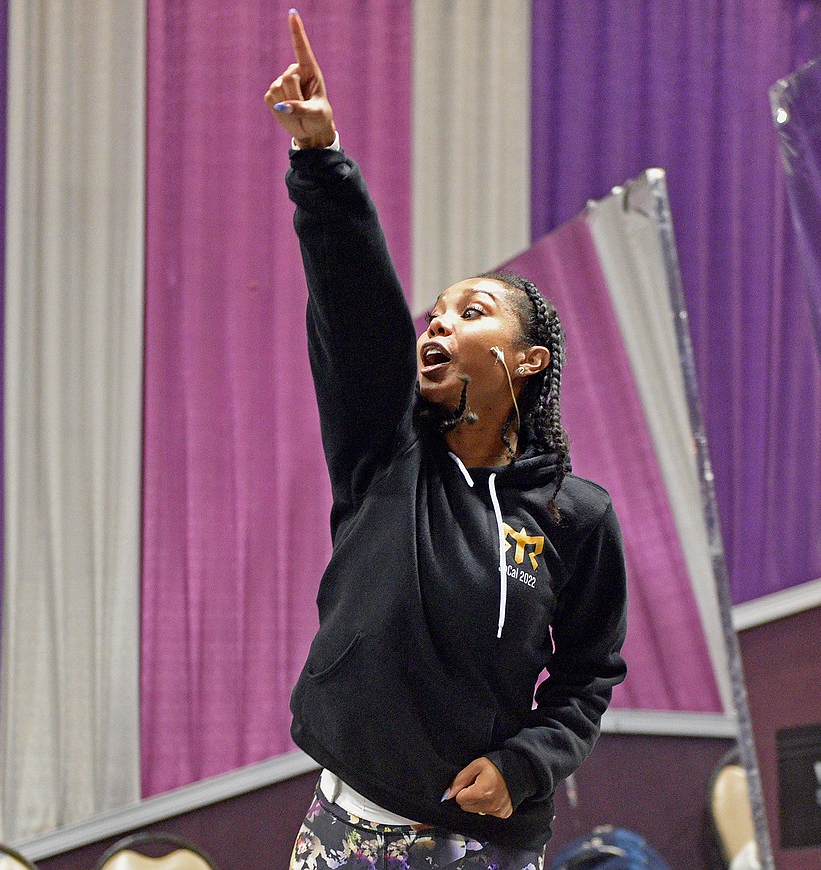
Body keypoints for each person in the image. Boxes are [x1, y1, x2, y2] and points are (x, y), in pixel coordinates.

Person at [265, 11, 628, 869]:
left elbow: (587, 681)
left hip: (476, 844)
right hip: (334, 827)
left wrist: (525, 764)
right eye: (435, 313)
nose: (438, 323)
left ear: (529, 359)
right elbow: (355, 309)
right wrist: (320, 164)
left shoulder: (576, 516)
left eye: (472, 313)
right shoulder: (383, 452)